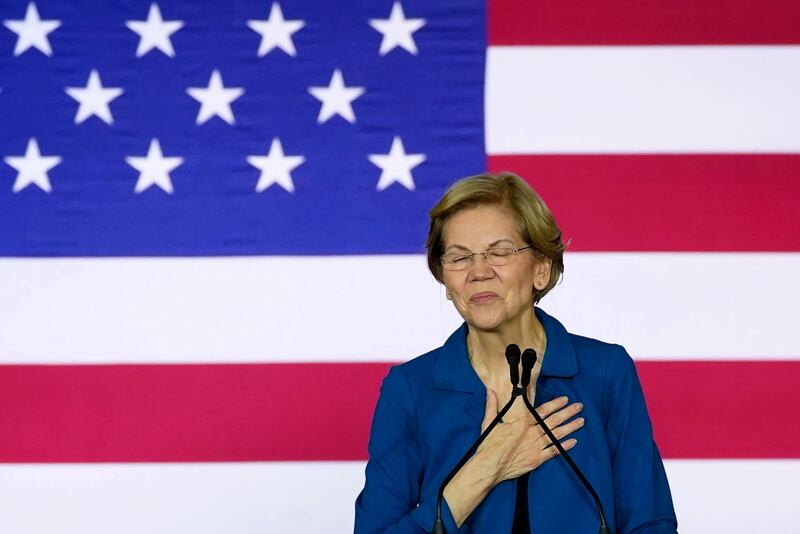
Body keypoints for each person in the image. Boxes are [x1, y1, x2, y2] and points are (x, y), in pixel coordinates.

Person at [354, 172, 678, 533]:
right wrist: (484, 467)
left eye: (500, 252)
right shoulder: (410, 389)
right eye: (459, 258)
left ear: (541, 267)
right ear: (445, 281)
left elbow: (651, 523)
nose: (479, 272)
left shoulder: (604, 371)